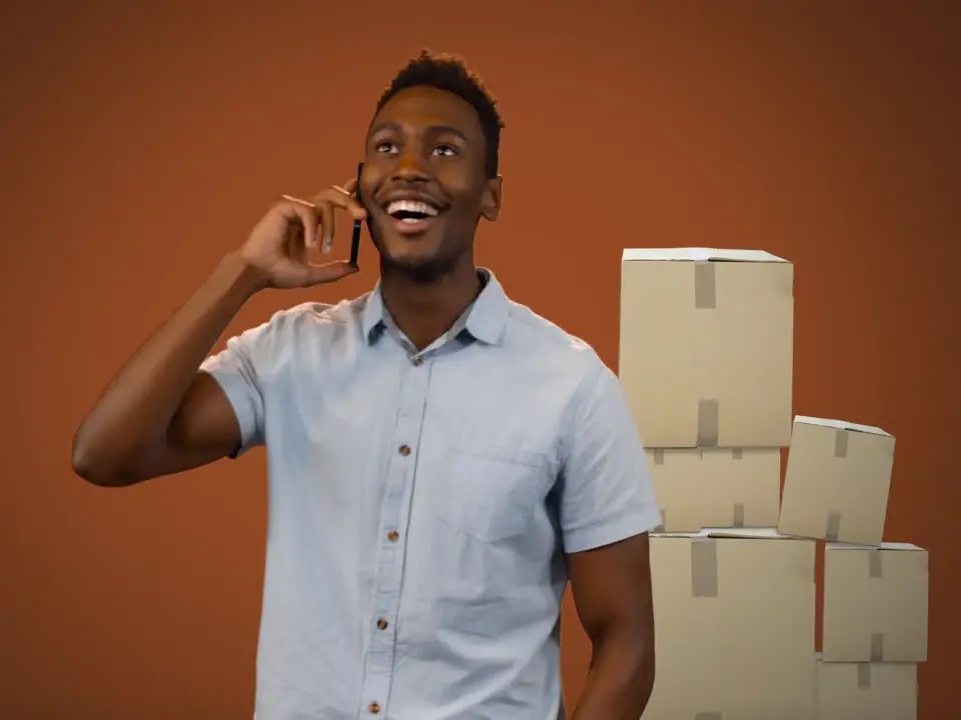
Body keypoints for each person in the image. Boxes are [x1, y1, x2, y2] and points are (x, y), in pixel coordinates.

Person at [72, 49, 662, 720]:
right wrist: (243, 271)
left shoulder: (572, 386)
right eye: (388, 148)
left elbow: (627, 644)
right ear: (360, 188)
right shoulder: (290, 352)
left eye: (444, 150)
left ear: (491, 194)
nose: (409, 168)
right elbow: (104, 454)